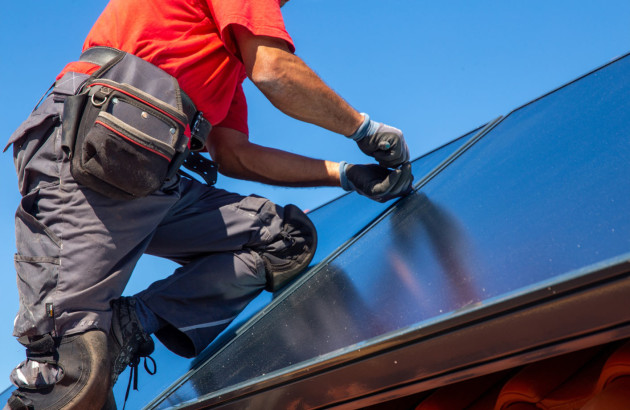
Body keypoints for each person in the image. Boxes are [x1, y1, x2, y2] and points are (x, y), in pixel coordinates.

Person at [4, 0, 413, 408]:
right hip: (90, 152)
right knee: (70, 372)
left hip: (148, 173)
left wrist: (343, 173)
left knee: (282, 239)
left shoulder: (222, 61)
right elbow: (273, 69)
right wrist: (366, 130)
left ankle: (129, 327)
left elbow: (233, 154)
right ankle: (78, 354)